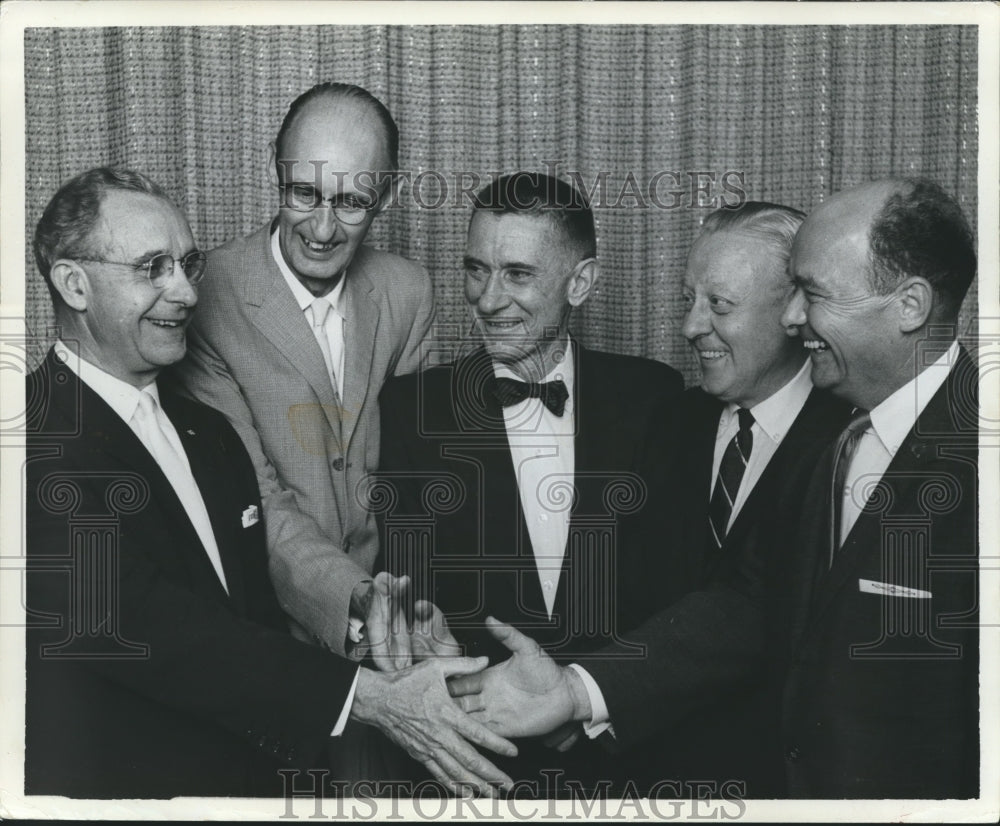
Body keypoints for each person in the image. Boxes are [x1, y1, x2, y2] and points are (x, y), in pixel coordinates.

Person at [451, 178, 979, 799]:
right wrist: (577, 690)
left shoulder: (973, 450)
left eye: (812, 294)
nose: (793, 317)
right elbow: (749, 604)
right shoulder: (850, 433)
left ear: (910, 305)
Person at [24, 167, 513, 799]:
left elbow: (253, 611)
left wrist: (376, 630)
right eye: (153, 268)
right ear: (74, 284)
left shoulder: (208, 431)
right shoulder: (26, 440)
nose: (186, 292)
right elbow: (149, 626)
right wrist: (365, 698)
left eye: (187, 263)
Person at [377, 172, 684, 793]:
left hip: (629, 764)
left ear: (582, 282)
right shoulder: (412, 409)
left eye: (517, 274)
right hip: (476, 766)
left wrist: (580, 701)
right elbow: (415, 595)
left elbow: (675, 592)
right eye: (475, 270)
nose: (488, 300)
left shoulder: (654, 398)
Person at [171, 83, 436, 657]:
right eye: (303, 193)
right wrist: (357, 600)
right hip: (268, 629)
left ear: (385, 196)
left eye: (350, 203)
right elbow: (254, 494)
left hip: (401, 622)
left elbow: (415, 476)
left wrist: (408, 610)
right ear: (276, 168)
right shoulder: (206, 296)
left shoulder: (408, 291)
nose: (321, 230)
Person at [646, 202, 852, 794]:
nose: (690, 326)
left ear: (796, 309)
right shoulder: (669, 423)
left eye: (719, 305)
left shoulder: (855, 438)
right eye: (689, 299)